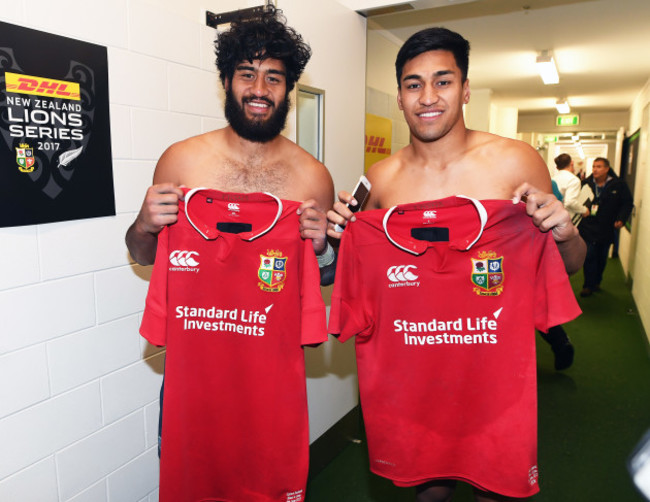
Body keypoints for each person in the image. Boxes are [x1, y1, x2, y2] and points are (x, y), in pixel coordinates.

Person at [327, 27, 585, 502]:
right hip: (416, 377)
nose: (428, 97)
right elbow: (358, 267)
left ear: (465, 90)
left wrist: (565, 231)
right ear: (400, 97)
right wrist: (337, 237)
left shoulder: (515, 161)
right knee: (429, 493)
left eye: (442, 81)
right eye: (412, 84)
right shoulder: (379, 180)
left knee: (495, 492)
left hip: (494, 376)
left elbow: (567, 266)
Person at [126, 6, 334, 501]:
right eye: (247, 74)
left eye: (274, 77)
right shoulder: (181, 160)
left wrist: (323, 246)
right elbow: (143, 254)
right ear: (226, 80)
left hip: (270, 380)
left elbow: (325, 277)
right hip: (194, 379)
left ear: (290, 90)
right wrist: (143, 223)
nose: (259, 88)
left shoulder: (313, 177)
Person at [578, 157, 633, 297]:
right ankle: (588, 285)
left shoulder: (618, 185)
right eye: (594, 166)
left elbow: (627, 203)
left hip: (606, 227)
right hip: (588, 226)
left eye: (599, 166)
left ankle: (597, 281)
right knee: (589, 255)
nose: (595, 169)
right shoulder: (586, 184)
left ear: (607, 169)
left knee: (601, 257)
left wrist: (621, 218)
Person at [552, 153, 589, 225]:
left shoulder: (552, 179)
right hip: (565, 219)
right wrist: (584, 210)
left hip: (551, 216)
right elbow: (570, 202)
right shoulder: (573, 180)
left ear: (557, 167)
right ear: (572, 163)